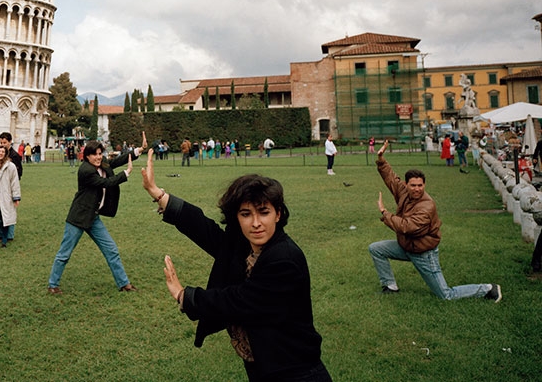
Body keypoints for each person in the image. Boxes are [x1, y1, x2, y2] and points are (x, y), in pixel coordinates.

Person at [140, 150, 331, 381]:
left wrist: (185, 296)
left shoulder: (284, 259)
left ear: (278, 214)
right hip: (266, 367)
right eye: (246, 214)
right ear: (237, 218)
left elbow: (238, 301)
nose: (256, 223)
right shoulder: (247, 245)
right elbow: (208, 232)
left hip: (295, 372)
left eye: (264, 212)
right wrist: (158, 193)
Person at [369, 140, 502, 301]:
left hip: (424, 253)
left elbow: (407, 227)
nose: (417, 189)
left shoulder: (427, 205)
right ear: (407, 185)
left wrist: (385, 212)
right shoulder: (404, 192)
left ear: (424, 185)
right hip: (407, 246)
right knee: (376, 249)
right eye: (413, 185)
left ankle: (488, 289)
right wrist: (381, 160)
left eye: (420, 185)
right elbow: (392, 179)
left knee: (446, 295)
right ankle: (390, 286)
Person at [47, 136, 146, 294]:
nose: (99, 157)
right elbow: (106, 183)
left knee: (111, 250)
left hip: (93, 217)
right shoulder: (86, 170)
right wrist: (125, 174)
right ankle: (53, 285)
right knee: (64, 253)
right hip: (78, 217)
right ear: (87, 156)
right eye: (95, 154)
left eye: (100, 153)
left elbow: (116, 161)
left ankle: (124, 284)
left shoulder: (102, 162)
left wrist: (136, 151)